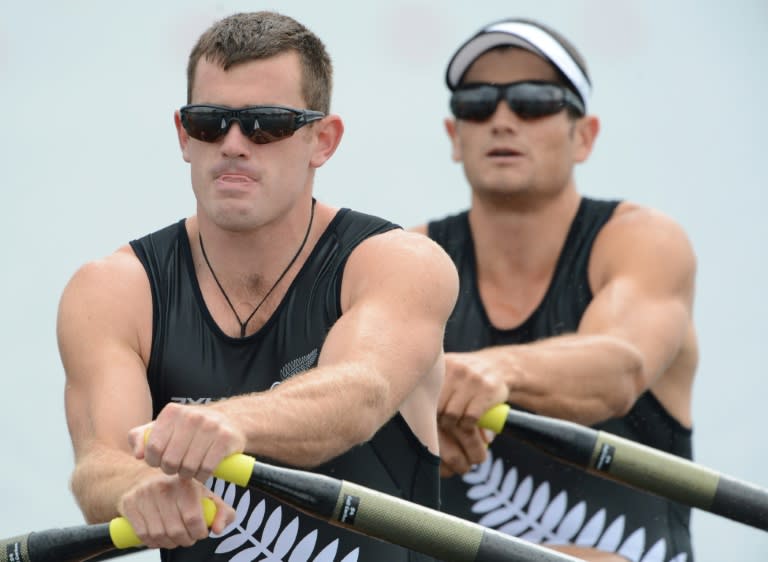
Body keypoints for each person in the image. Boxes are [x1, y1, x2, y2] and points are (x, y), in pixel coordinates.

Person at [58, 11, 458, 562]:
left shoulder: (397, 265)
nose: (234, 144)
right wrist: (135, 489)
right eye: (210, 122)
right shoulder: (112, 291)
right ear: (183, 135)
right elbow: (97, 466)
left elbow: (359, 397)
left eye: (266, 123)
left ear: (323, 140)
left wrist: (228, 420)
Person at [412, 18, 698, 562]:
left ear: (584, 135)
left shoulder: (641, 242)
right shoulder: (410, 259)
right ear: (455, 137)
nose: (501, 120)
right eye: (476, 103)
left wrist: (498, 371)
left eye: (533, 101)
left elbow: (620, 366)